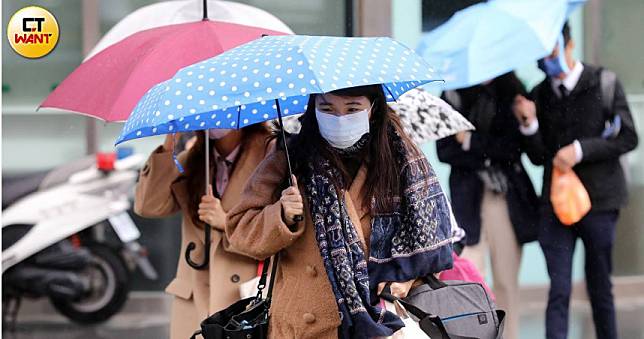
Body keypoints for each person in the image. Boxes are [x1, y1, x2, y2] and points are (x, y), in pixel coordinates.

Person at [225, 84, 454, 339]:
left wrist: (407, 282)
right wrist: (281, 215)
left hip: (380, 323)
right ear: (314, 109)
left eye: (352, 108)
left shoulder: (401, 164)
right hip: (300, 324)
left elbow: (430, 244)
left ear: (373, 108)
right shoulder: (288, 159)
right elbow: (241, 230)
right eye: (327, 108)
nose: (340, 119)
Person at [512, 23, 638, 339]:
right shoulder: (539, 94)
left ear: (569, 46)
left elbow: (628, 138)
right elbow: (539, 157)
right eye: (541, 58)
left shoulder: (604, 82)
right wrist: (529, 125)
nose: (547, 63)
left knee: (600, 286)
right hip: (555, 206)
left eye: (552, 53)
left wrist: (581, 150)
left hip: (601, 201)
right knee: (559, 288)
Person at [134, 124, 273, 339]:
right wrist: (169, 144)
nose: (214, 119)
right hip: (194, 301)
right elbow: (148, 206)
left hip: (242, 301)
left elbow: (278, 231)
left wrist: (225, 221)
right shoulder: (193, 159)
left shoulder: (270, 155)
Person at [437, 72, 539, 339]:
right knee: (471, 283)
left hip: (504, 198)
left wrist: (470, 142)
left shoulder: (513, 92)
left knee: (506, 282)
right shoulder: (453, 96)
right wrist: (484, 152)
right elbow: (445, 151)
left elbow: (513, 148)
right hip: (467, 201)